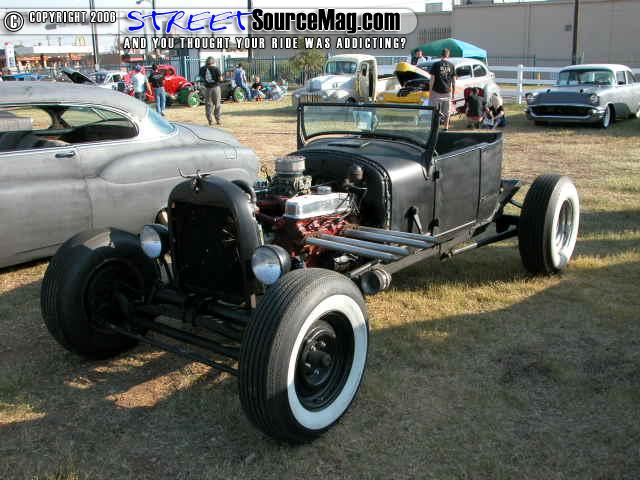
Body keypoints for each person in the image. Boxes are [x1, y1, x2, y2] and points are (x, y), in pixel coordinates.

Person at [428, 48, 456, 131]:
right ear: (448, 55)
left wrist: (430, 92)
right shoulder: (451, 65)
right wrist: (453, 93)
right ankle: (445, 128)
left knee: (435, 112)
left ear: (441, 55)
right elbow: (454, 81)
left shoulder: (436, 64)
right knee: (447, 112)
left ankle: (434, 128)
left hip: (436, 92)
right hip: (447, 92)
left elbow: (432, 80)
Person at [199, 56, 223, 126]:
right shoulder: (216, 68)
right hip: (215, 88)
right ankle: (218, 120)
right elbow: (221, 79)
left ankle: (210, 121)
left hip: (207, 88)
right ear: (213, 62)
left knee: (208, 105)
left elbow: (201, 78)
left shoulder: (202, 69)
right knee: (217, 104)